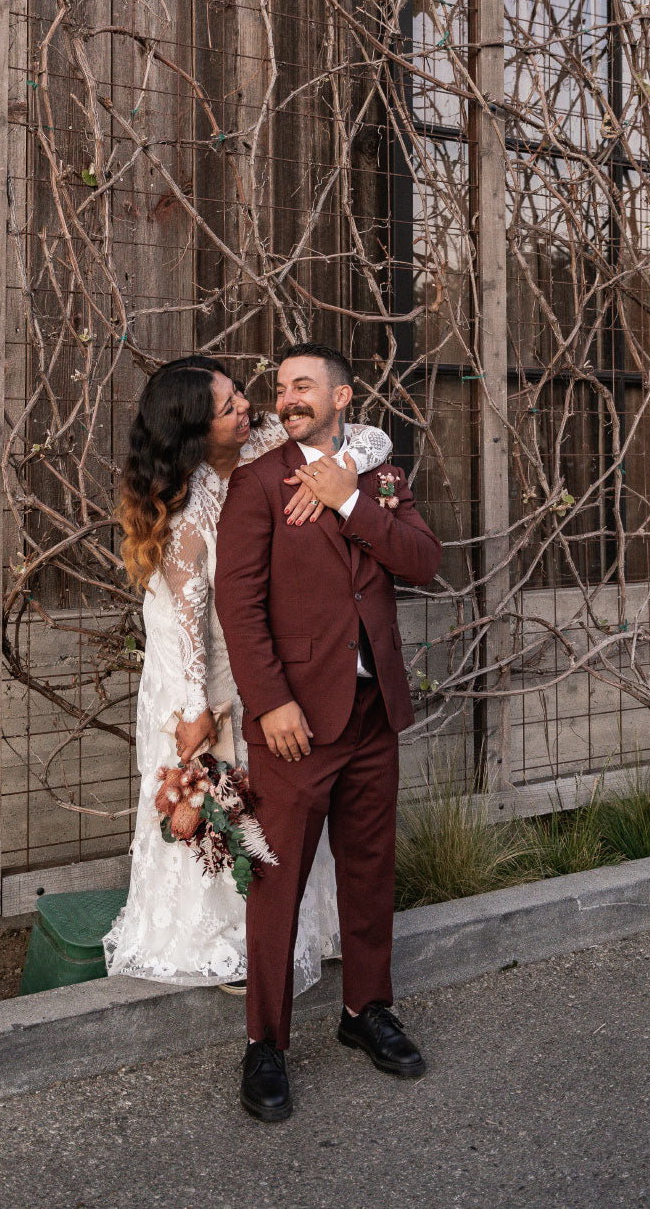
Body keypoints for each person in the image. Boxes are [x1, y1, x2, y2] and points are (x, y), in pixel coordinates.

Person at [103, 355, 393, 991]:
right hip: (202, 667)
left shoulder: (270, 440)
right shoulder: (183, 509)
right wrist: (193, 708)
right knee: (224, 801)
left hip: (274, 658)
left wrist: (338, 477)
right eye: (228, 407)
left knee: (285, 803)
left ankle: (299, 930)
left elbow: (371, 438)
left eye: (238, 395)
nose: (246, 409)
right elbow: (182, 619)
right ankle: (227, 942)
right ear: (195, 433)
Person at [214, 342, 442, 1121]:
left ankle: (366, 1011)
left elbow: (422, 561)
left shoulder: (378, 477)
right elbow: (237, 604)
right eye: (281, 389)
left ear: (344, 395)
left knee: (371, 865)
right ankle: (265, 1044)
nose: (288, 398)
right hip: (298, 722)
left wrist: (350, 503)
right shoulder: (256, 483)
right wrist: (270, 700)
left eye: (304, 386)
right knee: (276, 878)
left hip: (375, 710)